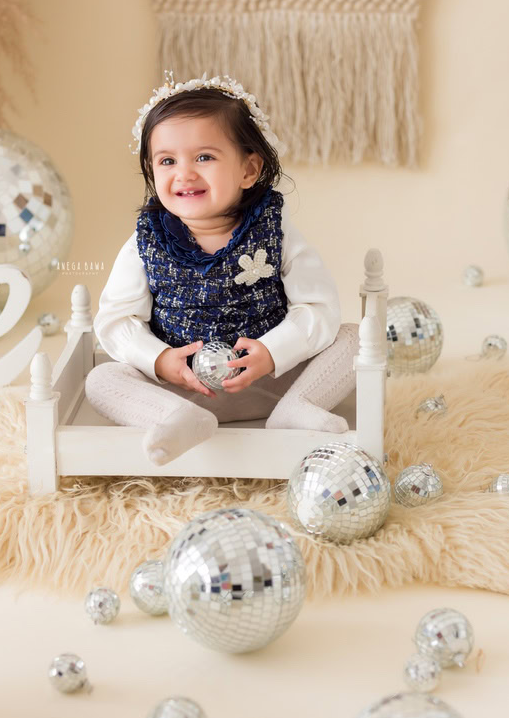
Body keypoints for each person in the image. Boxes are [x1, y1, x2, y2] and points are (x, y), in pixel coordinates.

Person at [84, 75, 360, 466]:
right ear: (151, 169)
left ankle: (297, 407)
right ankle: (177, 419)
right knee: (101, 380)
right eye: (167, 161)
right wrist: (160, 360)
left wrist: (273, 352)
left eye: (204, 157)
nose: (184, 173)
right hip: (183, 388)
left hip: (271, 381)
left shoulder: (273, 230)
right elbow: (116, 319)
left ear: (249, 169)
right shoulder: (147, 241)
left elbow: (318, 306)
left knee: (356, 338)